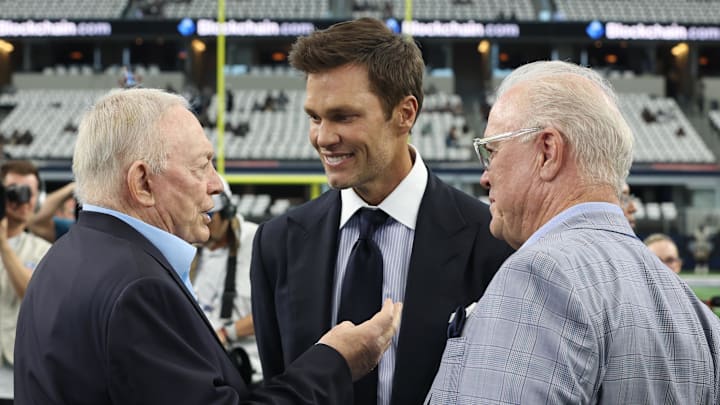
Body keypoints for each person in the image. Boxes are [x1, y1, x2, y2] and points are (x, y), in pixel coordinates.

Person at [14, 88, 403, 404]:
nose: (217, 185)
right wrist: (333, 361)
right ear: (143, 183)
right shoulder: (139, 289)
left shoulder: (62, 258)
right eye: (202, 166)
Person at [250, 18, 514, 405]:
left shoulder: (491, 242)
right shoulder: (277, 243)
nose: (323, 137)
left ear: (405, 113)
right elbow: (281, 387)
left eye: (343, 116)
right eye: (314, 117)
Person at [427, 61, 720, 404]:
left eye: (492, 151)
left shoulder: (541, 276)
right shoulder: (692, 310)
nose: (485, 176)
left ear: (548, 152)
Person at [192, 178, 262, 384]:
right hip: (207, 369)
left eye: (209, 215)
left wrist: (226, 333)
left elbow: (278, 309)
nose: (204, 221)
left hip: (250, 372)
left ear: (228, 213)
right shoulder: (192, 247)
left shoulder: (257, 242)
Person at [0, 160, 52, 367]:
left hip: (18, 364)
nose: (23, 199)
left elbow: (32, 294)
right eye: (15, 191)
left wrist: (3, 245)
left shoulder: (44, 250)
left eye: (30, 192)